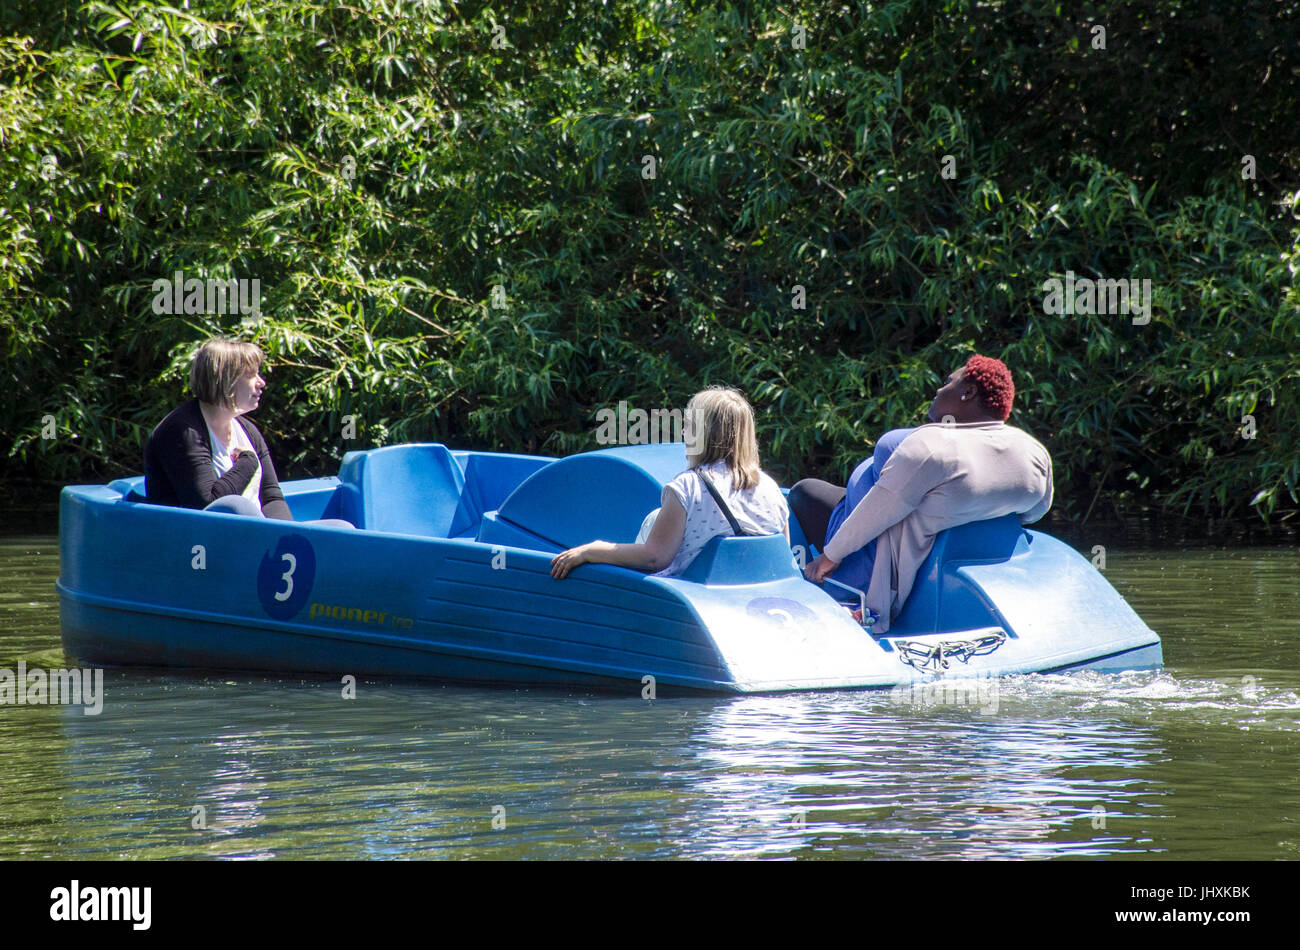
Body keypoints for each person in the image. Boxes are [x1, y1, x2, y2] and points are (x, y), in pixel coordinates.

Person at [793, 354, 1053, 633]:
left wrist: (828, 558)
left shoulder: (930, 444)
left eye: (947, 382)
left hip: (887, 568)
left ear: (968, 392)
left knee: (805, 492)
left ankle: (844, 594)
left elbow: (875, 513)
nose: (939, 390)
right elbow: (1034, 512)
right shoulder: (1033, 452)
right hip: (965, 551)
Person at [550, 386, 789, 579]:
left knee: (651, 520)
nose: (684, 433)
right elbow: (782, 559)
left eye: (687, 425)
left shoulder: (688, 487)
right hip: (750, 598)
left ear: (700, 432)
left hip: (685, 606)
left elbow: (654, 558)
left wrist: (591, 550)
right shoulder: (771, 489)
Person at [144, 337, 293, 519]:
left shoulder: (248, 430)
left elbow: (271, 497)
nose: (261, 382)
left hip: (253, 537)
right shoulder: (182, 431)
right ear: (226, 379)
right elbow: (208, 506)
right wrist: (248, 463)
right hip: (200, 541)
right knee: (236, 506)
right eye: (251, 374)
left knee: (337, 527)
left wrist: (285, 538)